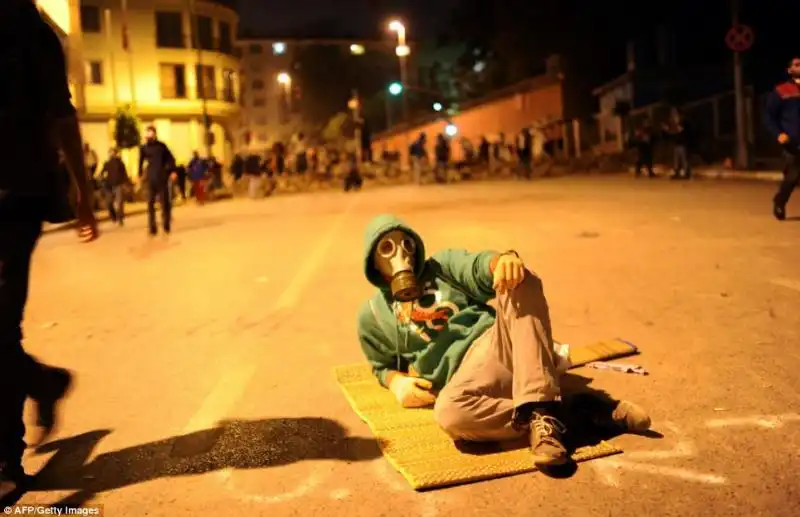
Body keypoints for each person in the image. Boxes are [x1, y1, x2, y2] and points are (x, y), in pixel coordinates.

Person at [357, 215, 651, 470]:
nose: (401, 255)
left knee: (521, 279)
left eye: (406, 244)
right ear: (373, 260)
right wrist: (396, 382)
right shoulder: (372, 316)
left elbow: (476, 266)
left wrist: (503, 261)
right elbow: (380, 365)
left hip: (498, 343)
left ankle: (541, 411)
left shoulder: (441, 266)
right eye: (387, 248)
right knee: (450, 414)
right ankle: (577, 411)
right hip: (466, 381)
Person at [0, 0, 99, 503]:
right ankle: (42, 381)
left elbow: (62, 111)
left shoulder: (25, 26)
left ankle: (5, 462)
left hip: (15, 192)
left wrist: (84, 193)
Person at [764, 56, 800, 221]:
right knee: (792, 176)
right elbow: (769, 117)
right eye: (797, 65)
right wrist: (778, 134)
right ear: (790, 70)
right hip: (792, 142)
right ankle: (780, 202)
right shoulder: (782, 91)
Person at [138, 126, 175, 235]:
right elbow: (140, 162)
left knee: (165, 203)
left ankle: (166, 223)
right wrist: (139, 175)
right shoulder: (143, 148)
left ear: (154, 134)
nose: (148, 135)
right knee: (150, 203)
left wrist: (173, 171)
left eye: (150, 133)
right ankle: (152, 227)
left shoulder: (162, 146)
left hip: (162, 177)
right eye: (147, 133)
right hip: (150, 178)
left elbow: (171, 159)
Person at [99, 148, 129, 225]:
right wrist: (102, 179)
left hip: (118, 185)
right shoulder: (107, 163)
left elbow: (125, 174)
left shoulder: (120, 163)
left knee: (119, 203)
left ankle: (120, 218)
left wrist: (126, 183)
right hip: (109, 186)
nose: (111, 154)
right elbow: (102, 173)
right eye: (110, 153)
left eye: (112, 153)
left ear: (116, 154)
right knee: (109, 203)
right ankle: (113, 216)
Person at [662, 109, 693, 180]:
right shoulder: (675, 125)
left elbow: (678, 132)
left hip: (683, 144)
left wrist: (669, 130)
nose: (673, 117)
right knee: (676, 160)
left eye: (675, 115)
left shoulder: (682, 123)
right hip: (677, 144)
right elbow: (673, 134)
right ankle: (677, 173)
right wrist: (667, 130)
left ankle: (687, 173)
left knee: (684, 160)